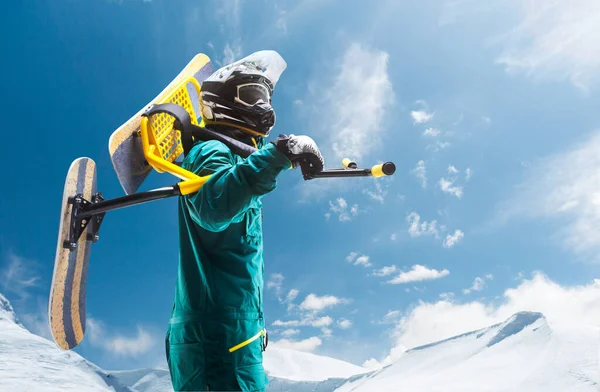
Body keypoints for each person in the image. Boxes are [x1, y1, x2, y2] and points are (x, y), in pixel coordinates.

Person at [165, 50, 324, 392]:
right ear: (222, 102)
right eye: (252, 96)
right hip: (217, 335)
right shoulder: (211, 152)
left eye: (265, 97)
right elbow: (213, 207)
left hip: (235, 333)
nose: (263, 108)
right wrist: (277, 155)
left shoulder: (233, 158)